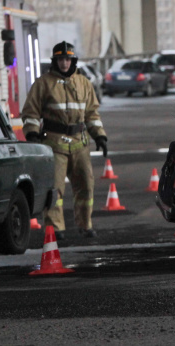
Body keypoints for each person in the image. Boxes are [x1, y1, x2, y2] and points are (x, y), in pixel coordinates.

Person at [21, 41, 108, 241]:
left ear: (73, 60)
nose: (64, 63)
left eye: (68, 59)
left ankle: (85, 225)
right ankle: (54, 228)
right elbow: (31, 113)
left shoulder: (84, 83)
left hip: (80, 143)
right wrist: (32, 134)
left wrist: (100, 136)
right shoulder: (43, 83)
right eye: (61, 59)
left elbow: (92, 113)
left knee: (86, 185)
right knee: (55, 188)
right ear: (55, 61)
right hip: (54, 144)